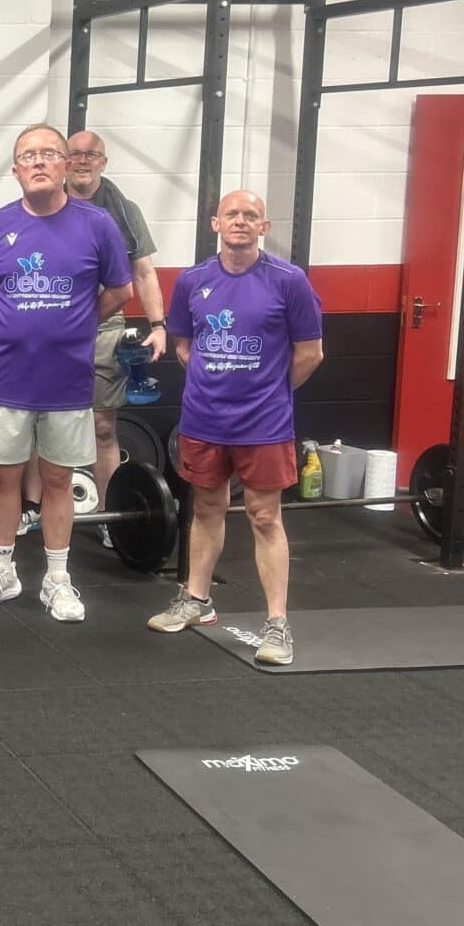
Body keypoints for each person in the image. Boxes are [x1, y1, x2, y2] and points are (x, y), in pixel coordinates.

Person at [0, 124, 132, 622]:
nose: (37, 162)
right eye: (27, 156)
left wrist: (76, 325)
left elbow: (120, 291)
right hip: (8, 377)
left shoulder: (97, 224)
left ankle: (57, 578)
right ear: (15, 170)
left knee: (58, 479)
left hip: (68, 380)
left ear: (65, 166)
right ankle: (3, 570)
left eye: (47, 154)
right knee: (5, 479)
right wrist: (12, 324)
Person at [148, 191, 323, 666]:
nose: (241, 222)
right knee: (206, 508)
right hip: (204, 420)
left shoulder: (289, 281)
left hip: (264, 424)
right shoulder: (192, 280)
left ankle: (277, 624)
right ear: (215, 223)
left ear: (264, 226)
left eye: (250, 216)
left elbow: (311, 352)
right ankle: (196, 599)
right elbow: (185, 345)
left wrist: (268, 391)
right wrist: (216, 383)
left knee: (265, 517)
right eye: (232, 215)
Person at [65, 130, 169, 540]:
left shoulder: (123, 210)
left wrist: (158, 326)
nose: (83, 161)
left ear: (103, 163)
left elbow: (143, 272)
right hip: (52, 327)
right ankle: (31, 510)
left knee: (103, 428)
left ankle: (108, 519)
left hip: (103, 327)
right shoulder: (45, 204)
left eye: (92, 155)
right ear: (64, 161)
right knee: (38, 423)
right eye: (75, 154)